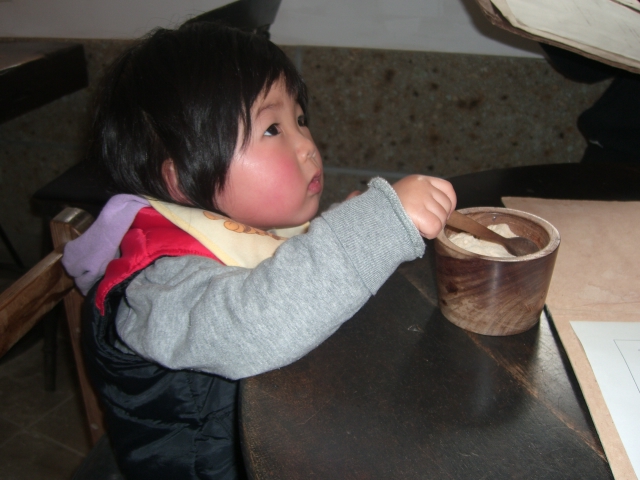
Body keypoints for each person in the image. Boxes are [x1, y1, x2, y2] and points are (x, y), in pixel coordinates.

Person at [62, 21, 456, 479]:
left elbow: (277, 265)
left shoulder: (241, 224)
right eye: (272, 129)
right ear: (182, 179)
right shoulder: (159, 285)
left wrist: (343, 227)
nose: (306, 146)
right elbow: (258, 321)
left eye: (300, 120)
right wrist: (375, 226)